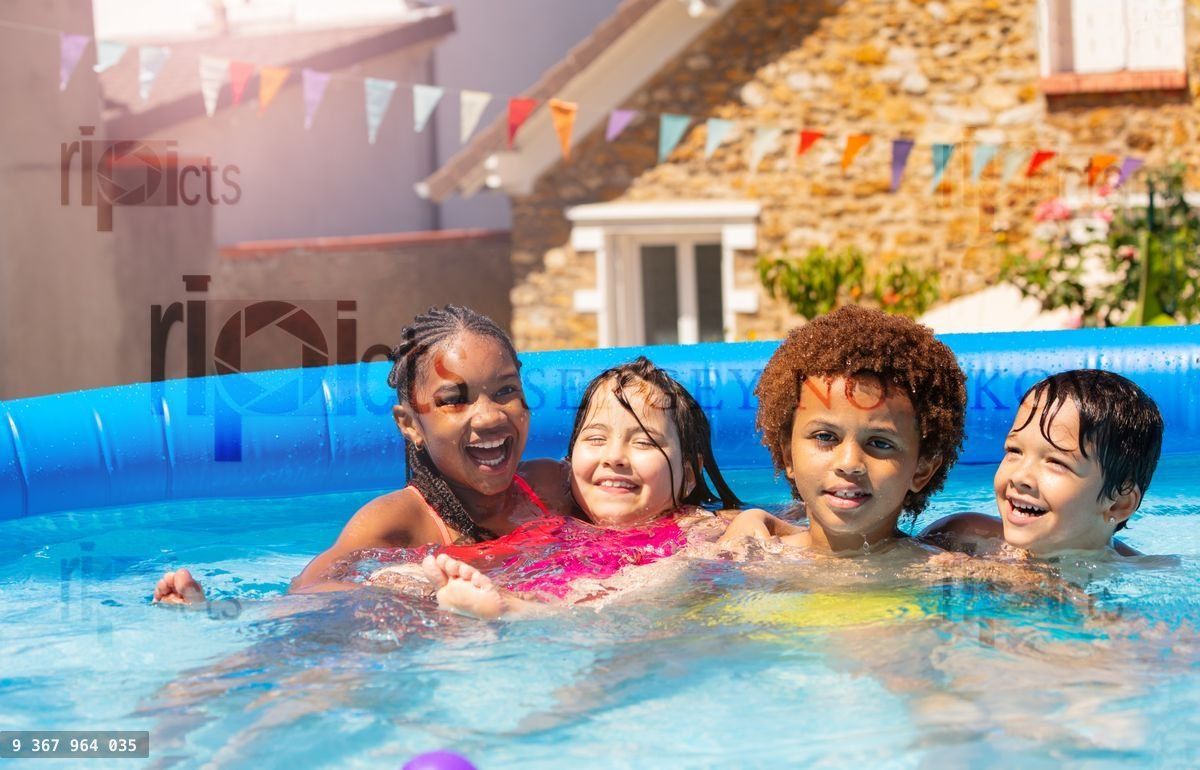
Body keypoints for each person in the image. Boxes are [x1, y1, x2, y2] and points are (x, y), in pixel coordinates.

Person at [153, 305, 572, 604]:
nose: (488, 416)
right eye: (454, 401)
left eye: (505, 391)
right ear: (409, 424)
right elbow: (308, 593)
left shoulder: (549, 489)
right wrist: (409, 591)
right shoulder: (399, 521)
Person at [402, 356, 744, 618]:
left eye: (644, 443)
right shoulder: (551, 526)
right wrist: (409, 578)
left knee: (673, 572)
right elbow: (491, 559)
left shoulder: (698, 530)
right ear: (569, 463)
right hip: (555, 633)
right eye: (596, 438)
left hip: (642, 632)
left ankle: (522, 613)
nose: (615, 457)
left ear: (688, 474)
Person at [718, 304, 967, 555]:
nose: (849, 463)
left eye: (880, 443)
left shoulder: (944, 567)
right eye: (825, 436)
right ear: (789, 456)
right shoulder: (750, 557)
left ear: (921, 470)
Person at [921, 369, 1164, 557]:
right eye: (1014, 450)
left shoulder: (1145, 576)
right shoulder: (960, 538)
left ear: (1118, 504)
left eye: (1057, 462)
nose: (1020, 477)